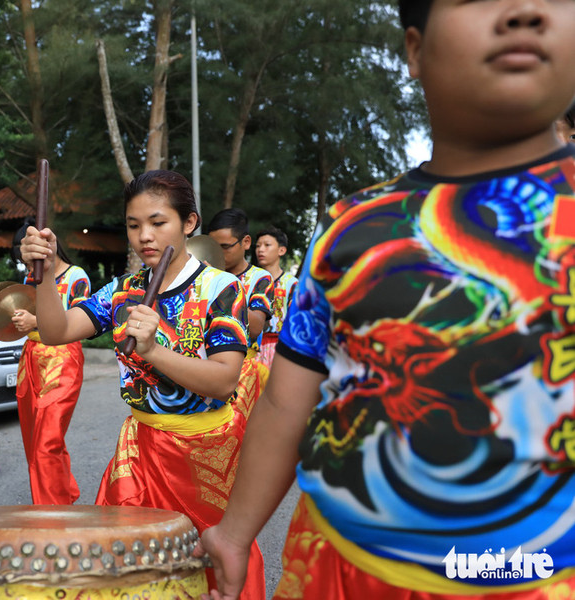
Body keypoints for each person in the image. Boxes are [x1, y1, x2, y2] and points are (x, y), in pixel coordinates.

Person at [197, 1, 575, 599]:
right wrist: (235, 533)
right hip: (340, 572)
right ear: (415, 50)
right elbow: (286, 403)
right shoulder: (351, 226)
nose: (524, 11)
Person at [20, 169, 266, 600]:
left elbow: (225, 381)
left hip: (205, 454)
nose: (144, 236)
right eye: (133, 226)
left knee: (207, 562)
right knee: (123, 562)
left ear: (189, 223)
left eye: (157, 222)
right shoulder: (123, 291)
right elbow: (57, 331)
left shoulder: (220, 288)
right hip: (139, 447)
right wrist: (43, 272)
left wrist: (153, 350)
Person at [9, 220, 90, 504]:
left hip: (62, 360)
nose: (28, 265)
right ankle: (63, 492)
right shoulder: (30, 279)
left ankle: (51, 514)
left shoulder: (77, 277)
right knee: (36, 438)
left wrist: (35, 320)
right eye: (24, 260)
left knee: (47, 441)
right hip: (31, 358)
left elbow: (80, 319)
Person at [208, 208, 275, 418]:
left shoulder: (260, 278)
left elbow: (255, 328)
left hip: (243, 374)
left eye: (225, 247)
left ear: (245, 242)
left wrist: (223, 287)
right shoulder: (204, 276)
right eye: (213, 248)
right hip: (206, 368)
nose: (219, 254)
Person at [253, 226, 297, 368]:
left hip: (280, 348)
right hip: (252, 348)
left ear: (281, 250)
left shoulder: (292, 284)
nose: (260, 249)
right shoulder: (250, 281)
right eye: (258, 246)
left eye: (267, 245)